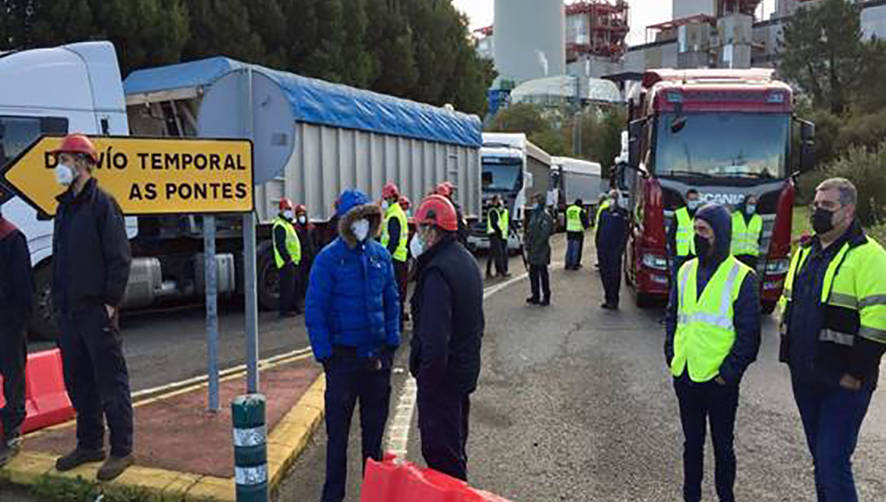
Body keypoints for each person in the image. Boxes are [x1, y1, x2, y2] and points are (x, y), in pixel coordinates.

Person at [778, 178, 886, 502]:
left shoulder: (870, 256)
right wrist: (790, 356)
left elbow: (878, 324)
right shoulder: (806, 251)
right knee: (821, 461)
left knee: (832, 461)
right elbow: (789, 303)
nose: (817, 211)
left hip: (845, 382)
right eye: (815, 204)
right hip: (806, 374)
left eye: (827, 206)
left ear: (848, 211)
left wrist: (855, 374)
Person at [306, 189, 400, 502]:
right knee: (338, 438)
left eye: (367, 219)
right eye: (356, 219)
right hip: (342, 362)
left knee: (373, 439)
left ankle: (371, 495)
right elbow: (315, 309)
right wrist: (326, 356)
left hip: (375, 361)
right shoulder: (328, 259)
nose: (362, 225)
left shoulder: (380, 255)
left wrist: (391, 343)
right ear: (346, 222)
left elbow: (392, 300)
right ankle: (332, 497)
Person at [50, 133, 134, 481]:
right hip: (69, 310)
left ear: (84, 163)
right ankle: (89, 443)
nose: (60, 167)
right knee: (78, 378)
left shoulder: (104, 205)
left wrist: (111, 301)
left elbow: (119, 257)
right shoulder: (64, 207)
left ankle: (122, 450)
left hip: (96, 309)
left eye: (65, 160)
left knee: (110, 379)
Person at [664, 203, 761, 502]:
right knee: (691, 445)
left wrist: (727, 375)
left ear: (720, 234)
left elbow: (749, 336)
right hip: (685, 374)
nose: (698, 236)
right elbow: (673, 315)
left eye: (703, 231)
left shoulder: (741, 276)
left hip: (719, 382)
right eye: (695, 230)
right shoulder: (685, 270)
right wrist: (670, 353)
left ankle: (725, 497)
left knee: (723, 446)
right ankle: (690, 496)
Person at [408, 194, 484, 481]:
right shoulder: (464, 260)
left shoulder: (437, 272)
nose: (417, 237)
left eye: (419, 230)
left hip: (442, 381)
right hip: (461, 375)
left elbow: (434, 340)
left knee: (442, 460)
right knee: (455, 449)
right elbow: (477, 323)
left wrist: (426, 384)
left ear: (431, 231)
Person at [0, 206, 33, 467]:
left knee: (13, 376)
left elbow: (24, 290)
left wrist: (16, 323)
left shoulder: (11, 238)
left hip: (8, 322)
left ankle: (12, 434)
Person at [381, 182, 409, 328]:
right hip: (400, 258)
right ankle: (398, 323)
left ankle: (396, 324)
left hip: (395, 260)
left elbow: (393, 240)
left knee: (393, 294)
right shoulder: (398, 213)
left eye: (385, 198)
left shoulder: (393, 216)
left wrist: (385, 256)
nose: (384, 201)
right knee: (399, 292)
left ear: (392, 198)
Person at [597, 190, 630, 310]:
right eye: (610, 198)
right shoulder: (604, 212)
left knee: (614, 275)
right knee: (605, 274)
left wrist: (620, 249)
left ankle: (614, 299)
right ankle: (607, 297)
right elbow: (599, 229)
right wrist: (598, 245)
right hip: (603, 249)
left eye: (614, 198)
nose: (611, 200)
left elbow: (625, 232)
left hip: (615, 250)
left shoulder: (622, 213)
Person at [273, 198, 302, 317]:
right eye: (287, 209)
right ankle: (284, 311)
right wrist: (287, 259)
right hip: (286, 263)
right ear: (281, 210)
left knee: (293, 287)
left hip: (293, 261)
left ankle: (293, 307)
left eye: (290, 209)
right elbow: (280, 245)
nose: (289, 211)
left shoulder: (287, 224)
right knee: (286, 288)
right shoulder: (280, 225)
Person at [524, 194, 553, 306]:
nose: (533, 204)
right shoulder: (534, 215)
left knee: (543, 275)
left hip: (541, 250)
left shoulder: (545, 216)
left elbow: (544, 234)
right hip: (532, 250)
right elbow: (530, 231)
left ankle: (546, 296)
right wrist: (527, 243)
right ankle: (535, 295)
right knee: (533, 275)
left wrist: (536, 247)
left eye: (535, 201)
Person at [669, 188, 702, 278]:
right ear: (687, 200)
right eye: (691, 199)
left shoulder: (701, 214)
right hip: (680, 255)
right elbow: (672, 234)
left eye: (695, 200)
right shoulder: (679, 214)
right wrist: (673, 251)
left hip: (696, 254)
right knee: (678, 280)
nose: (693, 202)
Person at [293, 204, 317, 308]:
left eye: (303, 214)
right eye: (299, 214)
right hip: (301, 259)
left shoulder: (312, 228)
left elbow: (316, 242)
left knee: (311, 280)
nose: (302, 216)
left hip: (310, 257)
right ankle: (301, 301)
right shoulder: (295, 229)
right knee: (300, 281)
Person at [730, 195, 762, 271]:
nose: (752, 206)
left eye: (754, 204)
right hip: (736, 257)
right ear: (745, 204)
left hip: (751, 257)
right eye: (750, 203)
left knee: (749, 280)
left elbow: (759, 239)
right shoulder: (734, 217)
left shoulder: (758, 219)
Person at [485, 196, 509, 279]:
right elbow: (494, 224)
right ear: (495, 201)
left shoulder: (495, 210)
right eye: (499, 200)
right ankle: (502, 272)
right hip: (495, 234)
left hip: (494, 234)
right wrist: (499, 232)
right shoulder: (493, 211)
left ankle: (488, 272)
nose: (500, 201)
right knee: (498, 254)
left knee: (492, 254)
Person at [564, 199, 589, 271]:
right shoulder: (580, 211)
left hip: (569, 230)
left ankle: (567, 263)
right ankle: (574, 264)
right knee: (576, 248)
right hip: (577, 231)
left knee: (569, 248)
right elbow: (585, 222)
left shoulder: (569, 209)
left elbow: (566, 220)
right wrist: (586, 227)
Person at [593, 193, 611, 269]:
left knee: (602, 249)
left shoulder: (605, 206)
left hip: (601, 231)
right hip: (601, 230)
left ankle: (602, 263)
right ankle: (601, 262)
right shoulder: (604, 205)